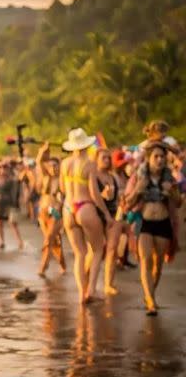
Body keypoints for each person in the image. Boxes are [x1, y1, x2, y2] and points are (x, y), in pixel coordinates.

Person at [125, 142, 181, 315]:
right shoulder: (139, 177)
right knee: (146, 260)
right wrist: (137, 191)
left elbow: (178, 203)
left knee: (158, 265)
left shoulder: (169, 178)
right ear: (148, 159)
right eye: (155, 156)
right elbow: (127, 203)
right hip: (145, 223)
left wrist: (171, 192)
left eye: (162, 156)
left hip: (163, 223)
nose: (159, 159)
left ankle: (151, 293)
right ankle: (150, 301)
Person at [60, 128, 111, 304]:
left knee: (79, 254)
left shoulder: (65, 163)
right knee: (98, 250)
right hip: (85, 206)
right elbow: (95, 194)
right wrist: (106, 214)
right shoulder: (89, 164)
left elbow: (62, 188)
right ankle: (92, 290)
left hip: (68, 208)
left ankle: (82, 293)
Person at [95, 148, 123, 295]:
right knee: (95, 252)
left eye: (108, 158)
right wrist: (102, 195)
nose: (107, 160)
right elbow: (89, 196)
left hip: (113, 214)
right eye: (103, 158)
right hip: (96, 214)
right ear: (96, 159)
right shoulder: (92, 176)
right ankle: (88, 282)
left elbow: (119, 197)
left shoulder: (114, 177)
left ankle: (108, 284)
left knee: (112, 249)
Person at [36, 143, 66, 276]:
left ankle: (43, 267)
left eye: (56, 166)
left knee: (49, 238)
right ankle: (62, 264)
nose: (54, 168)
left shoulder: (62, 180)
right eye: (51, 166)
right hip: (43, 211)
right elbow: (39, 161)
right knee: (53, 241)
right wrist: (44, 150)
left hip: (56, 211)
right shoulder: (45, 177)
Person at [0, 162, 24, 250]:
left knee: (13, 223)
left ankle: (20, 241)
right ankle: (1, 241)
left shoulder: (11, 180)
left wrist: (17, 204)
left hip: (9, 204)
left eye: (5, 168)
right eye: (1, 168)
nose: (3, 170)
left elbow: (17, 188)